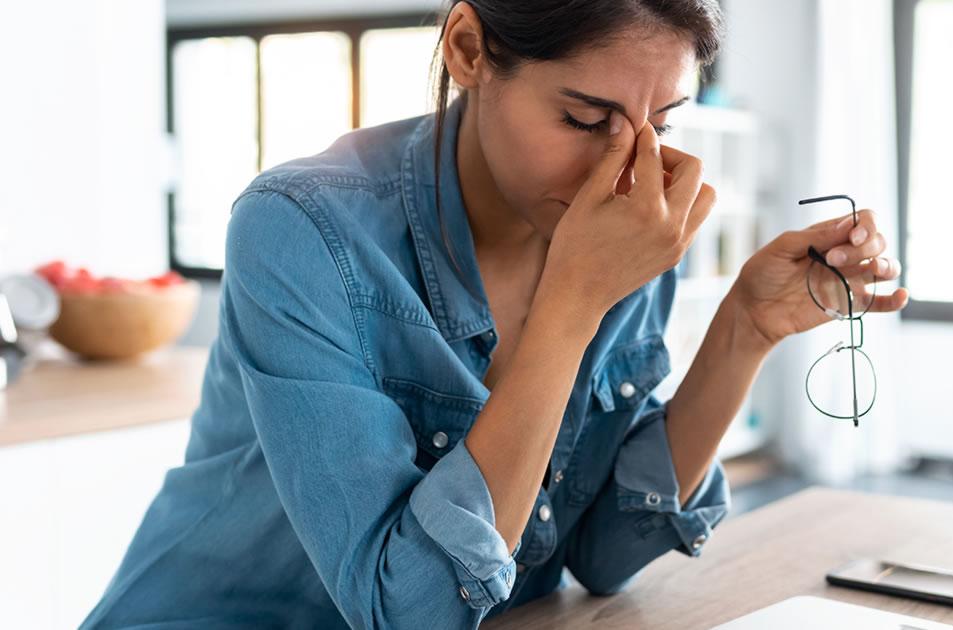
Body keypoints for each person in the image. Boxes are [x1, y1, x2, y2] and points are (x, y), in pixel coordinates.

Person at [82, 1, 907, 628]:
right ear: (469, 49)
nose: (628, 170)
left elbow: (605, 553)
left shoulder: (621, 226)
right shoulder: (302, 228)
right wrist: (572, 303)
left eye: (661, 124)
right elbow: (409, 608)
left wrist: (744, 331)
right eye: (586, 120)